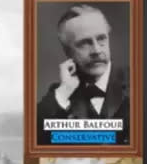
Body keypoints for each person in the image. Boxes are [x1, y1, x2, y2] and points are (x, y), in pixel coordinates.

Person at [36, 4, 129, 145]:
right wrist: (64, 90)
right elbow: (34, 138)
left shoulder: (141, 82)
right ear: (68, 53)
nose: (97, 50)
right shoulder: (61, 96)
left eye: (101, 39)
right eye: (84, 43)